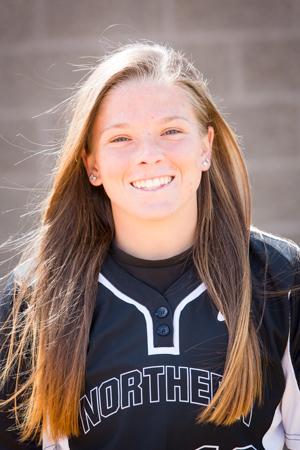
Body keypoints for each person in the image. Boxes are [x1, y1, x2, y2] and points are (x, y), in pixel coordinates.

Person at [0, 41, 299, 450]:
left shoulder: (282, 278)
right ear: (92, 165)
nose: (148, 155)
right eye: (121, 139)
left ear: (206, 147)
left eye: (171, 131)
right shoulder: (30, 302)